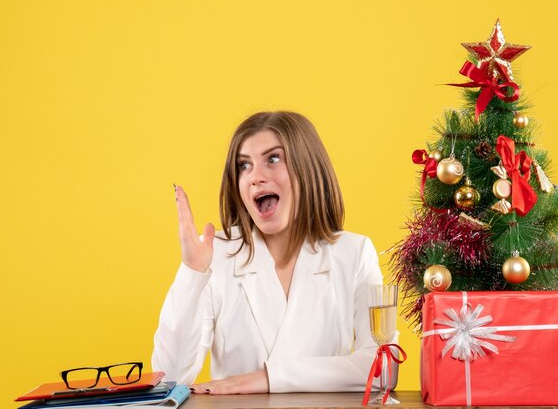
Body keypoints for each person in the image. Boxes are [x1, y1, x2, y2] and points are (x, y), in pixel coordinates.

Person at [152, 111, 391, 395]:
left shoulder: (353, 253)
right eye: (244, 165)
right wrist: (192, 273)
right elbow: (170, 377)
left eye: (273, 159)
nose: (255, 177)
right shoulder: (215, 255)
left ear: (308, 168)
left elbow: (382, 368)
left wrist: (268, 378)